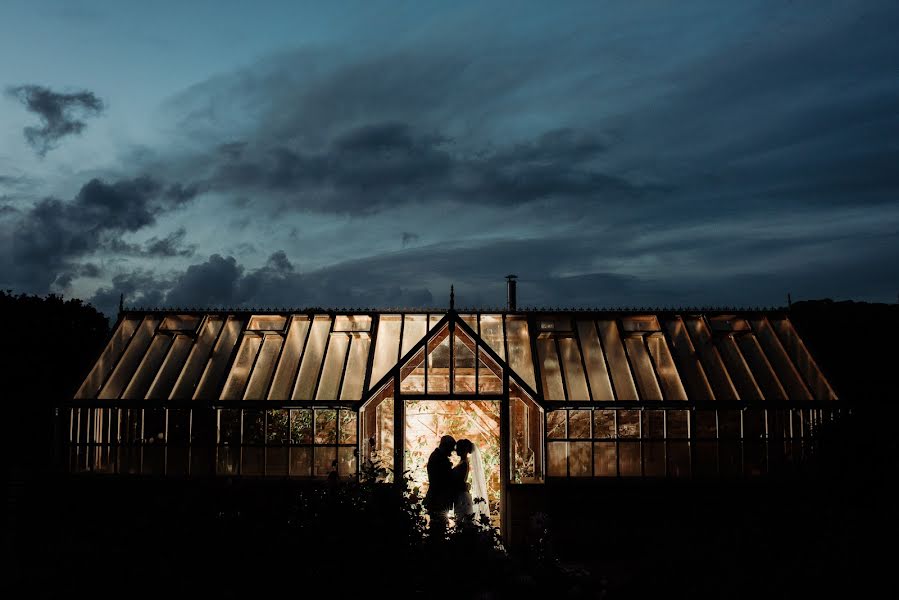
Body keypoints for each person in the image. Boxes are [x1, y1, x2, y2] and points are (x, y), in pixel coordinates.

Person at [452, 438, 490, 525]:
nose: (456, 449)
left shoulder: (464, 464)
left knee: (463, 522)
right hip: (460, 495)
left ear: (463, 449)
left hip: (462, 497)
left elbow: (459, 481)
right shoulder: (462, 462)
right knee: (461, 521)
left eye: (458, 447)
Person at [424, 435, 455, 537]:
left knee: (439, 527)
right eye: (450, 449)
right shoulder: (438, 458)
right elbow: (442, 480)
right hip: (438, 499)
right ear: (445, 446)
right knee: (438, 529)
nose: (451, 453)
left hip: (439, 498)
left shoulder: (438, 456)